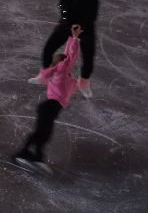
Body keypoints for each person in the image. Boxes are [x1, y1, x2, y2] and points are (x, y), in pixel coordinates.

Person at [12, 25, 90, 171]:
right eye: (64, 62)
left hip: (52, 109)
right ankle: (22, 153)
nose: (67, 63)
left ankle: (37, 156)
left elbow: (68, 58)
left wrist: (70, 37)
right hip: (49, 107)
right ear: (60, 64)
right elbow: (70, 57)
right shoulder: (60, 71)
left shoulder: (68, 78)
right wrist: (74, 38)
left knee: (45, 134)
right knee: (41, 133)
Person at [41, 0, 106, 88]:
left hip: (85, 28)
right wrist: (68, 23)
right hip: (66, 25)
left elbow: (92, 14)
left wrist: (80, 27)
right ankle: (46, 75)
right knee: (48, 49)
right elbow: (62, 7)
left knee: (88, 58)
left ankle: (84, 82)